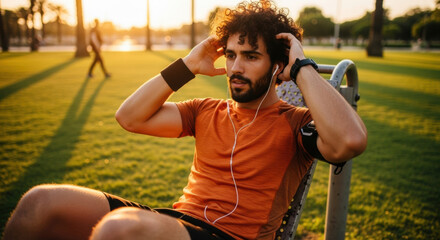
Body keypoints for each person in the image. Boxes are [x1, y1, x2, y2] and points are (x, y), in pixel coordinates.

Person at [2, 1, 367, 239]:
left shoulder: (295, 123)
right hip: (178, 223)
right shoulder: (205, 111)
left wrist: (301, 67)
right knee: (41, 203)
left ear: (277, 65)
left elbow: (349, 141)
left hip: (230, 237)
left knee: (120, 230)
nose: (236, 67)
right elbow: (129, 117)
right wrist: (188, 66)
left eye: (251, 56)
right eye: (233, 54)